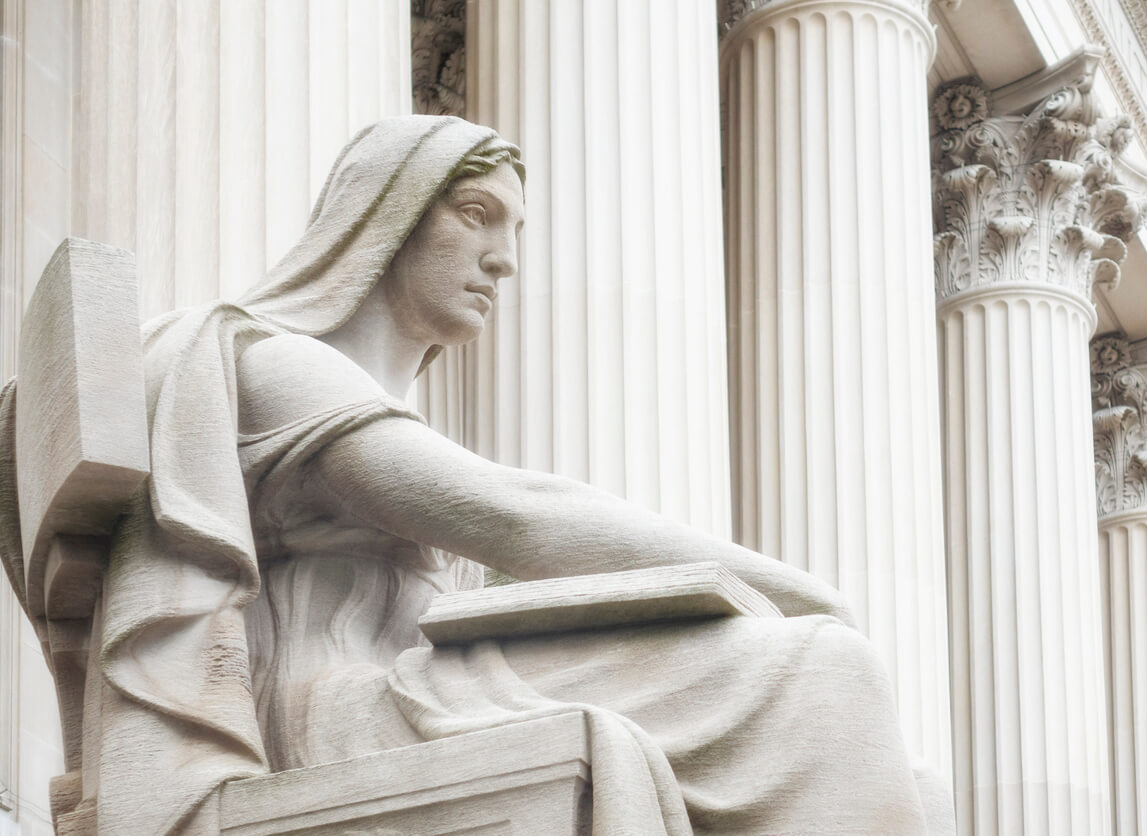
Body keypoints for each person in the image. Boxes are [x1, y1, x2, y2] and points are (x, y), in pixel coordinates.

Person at [9, 116, 931, 834]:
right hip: (330, 709)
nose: (506, 259)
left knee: (888, 757)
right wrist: (799, 591)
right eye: (476, 214)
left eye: (515, 228)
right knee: (819, 666)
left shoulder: (359, 391)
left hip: (421, 679)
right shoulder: (272, 360)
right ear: (385, 218)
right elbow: (514, 515)